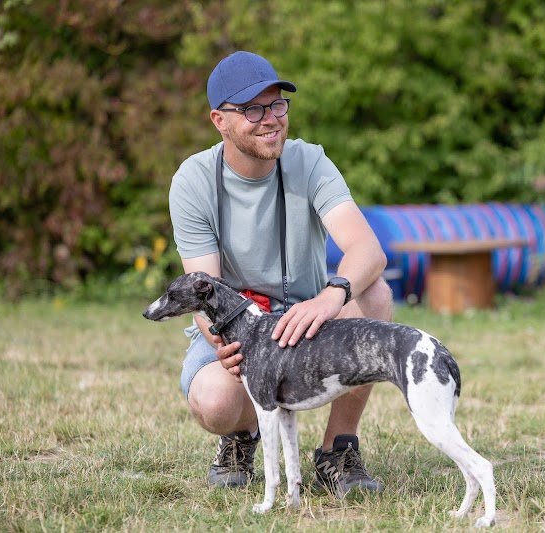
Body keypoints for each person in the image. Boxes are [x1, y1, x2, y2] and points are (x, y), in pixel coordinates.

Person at [168, 51, 392, 494]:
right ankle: (243, 433)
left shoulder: (309, 161)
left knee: (374, 294)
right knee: (214, 402)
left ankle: (337, 451)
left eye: (277, 105)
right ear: (220, 120)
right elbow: (202, 292)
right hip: (238, 327)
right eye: (252, 109)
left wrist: (331, 296)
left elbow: (368, 250)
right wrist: (220, 340)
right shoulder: (192, 180)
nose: (270, 119)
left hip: (308, 318)